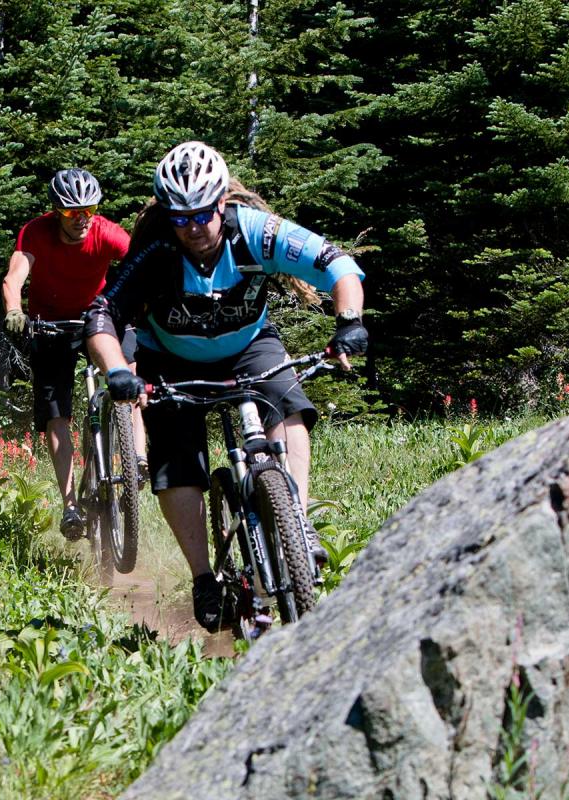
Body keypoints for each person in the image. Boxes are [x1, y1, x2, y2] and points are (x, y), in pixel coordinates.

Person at [85, 141, 368, 631]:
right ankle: (202, 577)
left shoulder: (256, 232)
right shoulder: (157, 250)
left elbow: (335, 263)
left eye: (202, 214)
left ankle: (296, 524)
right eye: (180, 218)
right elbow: (101, 315)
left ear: (222, 203)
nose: (193, 228)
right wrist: (118, 371)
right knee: (177, 461)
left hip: (248, 344)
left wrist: (349, 321)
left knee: (287, 405)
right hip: (170, 356)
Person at [1, 168, 148, 539]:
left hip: (99, 316)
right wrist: (14, 309)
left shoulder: (107, 233)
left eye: (89, 209)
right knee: (57, 414)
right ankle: (70, 506)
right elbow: (14, 277)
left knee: (128, 373)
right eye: (71, 212)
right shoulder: (36, 232)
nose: (82, 218)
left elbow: (144, 266)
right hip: (50, 323)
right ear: (56, 212)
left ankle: (138, 457)